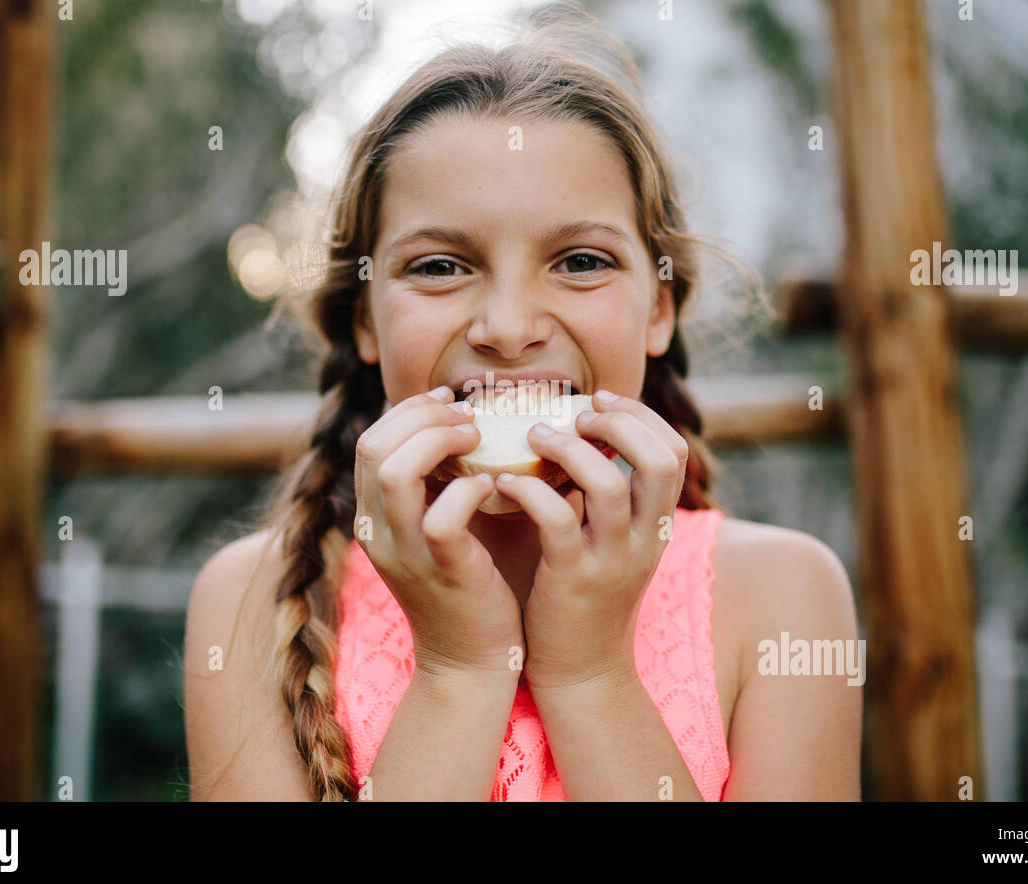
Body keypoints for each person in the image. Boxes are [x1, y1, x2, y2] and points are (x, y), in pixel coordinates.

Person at [184, 3, 860, 802]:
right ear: (366, 317)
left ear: (658, 307)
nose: (507, 328)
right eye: (439, 267)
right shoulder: (251, 606)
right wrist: (458, 668)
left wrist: (591, 673)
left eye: (579, 260)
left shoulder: (785, 596)